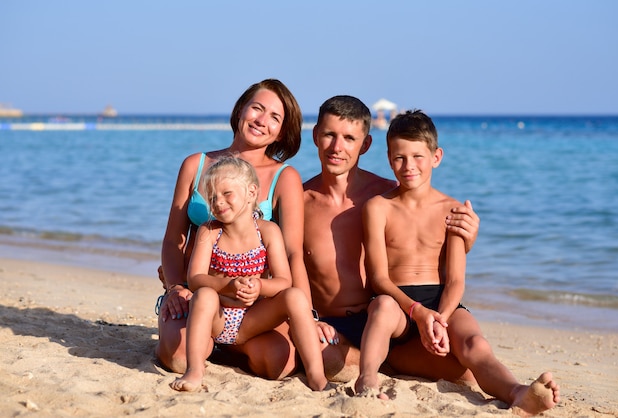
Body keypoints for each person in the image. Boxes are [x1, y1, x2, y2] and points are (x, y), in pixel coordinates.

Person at [354, 109, 559, 415]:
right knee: (381, 307)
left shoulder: (452, 210)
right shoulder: (378, 208)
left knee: (474, 344)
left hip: (441, 302)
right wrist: (418, 313)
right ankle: (367, 381)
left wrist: (440, 318)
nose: (408, 166)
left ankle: (518, 393)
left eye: (417, 156)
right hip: (397, 303)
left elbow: (456, 281)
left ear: (436, 157)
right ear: (388, 158)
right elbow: (378, 279)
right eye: (399, 157)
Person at [302, 96, 480, 380]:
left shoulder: (387, 193)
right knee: (323, 359)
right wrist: (308, 319)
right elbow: (284, 263)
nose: (337, 147)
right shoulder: (298, 201)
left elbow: (422, 239)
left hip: (389, 317)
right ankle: (382, 363)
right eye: (329, 135)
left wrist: (466, 238)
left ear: (366, 144)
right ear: (315, 136)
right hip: (334, 322)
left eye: (349, 138)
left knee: (466, 373)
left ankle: (386, 359)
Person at [157, 79, 307, 379]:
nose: (262, 121)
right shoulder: (196, 164)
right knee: (178, 359)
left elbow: (292, 253)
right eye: (257, 108)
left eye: (275, 117)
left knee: (280, 363)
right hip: (197, 296)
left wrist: (308, 314)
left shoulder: (284, 177)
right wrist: (175, 288)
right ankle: (202, 341)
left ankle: (228, 346)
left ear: (281, 132)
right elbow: (175, 237)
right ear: (241, 110)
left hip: (254, 305)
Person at [170, 156, 327, 392]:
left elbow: (284, 281)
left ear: (252, 192)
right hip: (218, 318)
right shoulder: (209, 231)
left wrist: (260, 287)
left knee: (295, 296)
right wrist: (228, 285)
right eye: (212, 197)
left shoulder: (268, 232)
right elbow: (195, 278)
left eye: (227, 194)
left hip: (252, 320)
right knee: (204, 296)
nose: (218, 202)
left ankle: (317, 375)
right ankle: (194, 370)